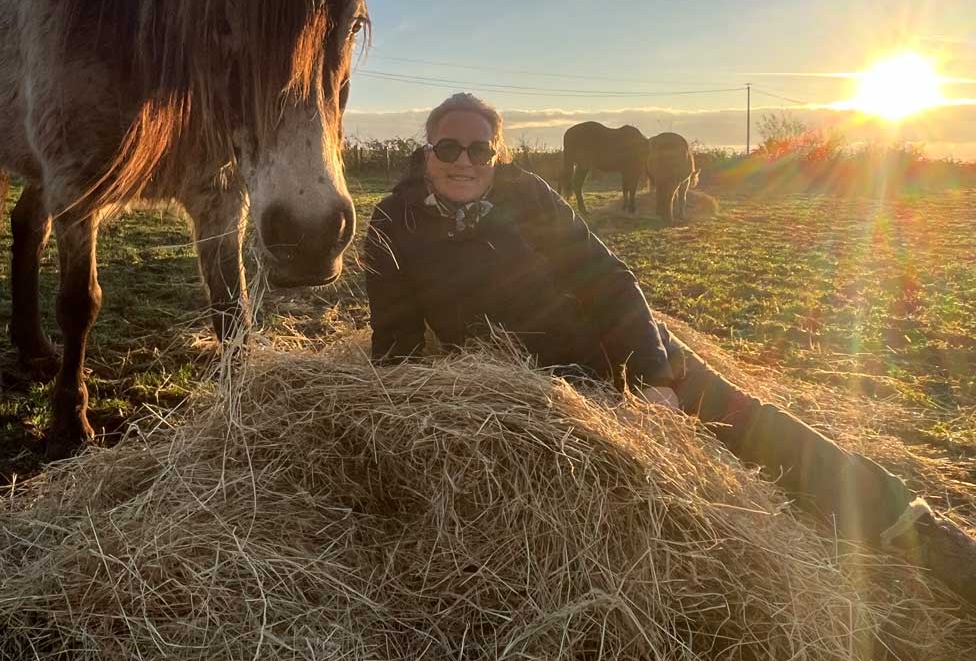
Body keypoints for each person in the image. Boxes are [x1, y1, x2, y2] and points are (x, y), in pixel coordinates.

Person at [363, 92, 976, 605]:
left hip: (619, 346)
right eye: (449, 148)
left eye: (479, 150)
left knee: (745, 422)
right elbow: (397, 343)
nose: (464, 162)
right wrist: (425, 423)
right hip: (531, 391)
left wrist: (654, 378)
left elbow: (609, 282)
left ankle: (918, 528)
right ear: (427, 151)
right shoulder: (394, 224)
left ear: (496, 155)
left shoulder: (531, 197)